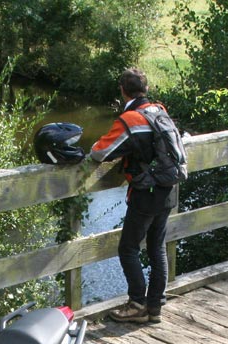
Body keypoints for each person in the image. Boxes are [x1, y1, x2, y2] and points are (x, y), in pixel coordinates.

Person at [90, 67, 178, 324]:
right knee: (156, 247)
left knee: (128, 248)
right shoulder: (159, 111)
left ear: (122, 90)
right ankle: (155, 307)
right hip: (168, 188)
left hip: (146, 193)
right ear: (146, 89)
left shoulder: (130, 119)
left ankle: (137, 304)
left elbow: (100, 152)